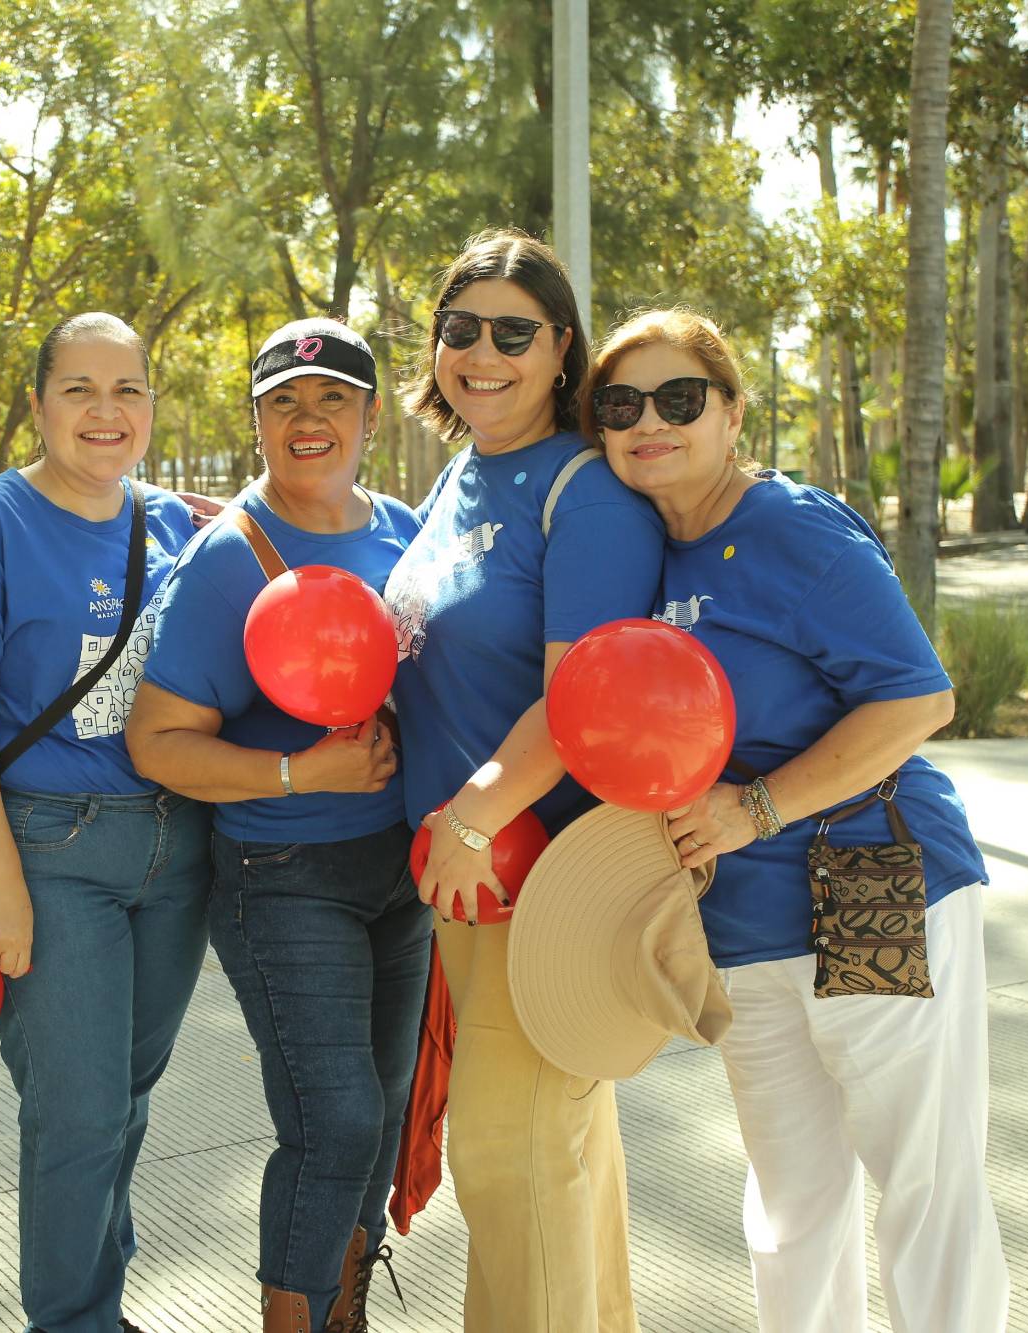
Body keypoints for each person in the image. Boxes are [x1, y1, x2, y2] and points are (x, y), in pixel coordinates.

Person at [585, 307, 1008, 1333]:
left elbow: (915, 701)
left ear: (731, 412)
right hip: (745, 919)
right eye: (620, 403)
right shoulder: (645, 550)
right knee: (790, 1200)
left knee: (921, 1180)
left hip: (870, 880)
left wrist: (755, 805)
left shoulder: (790, 526)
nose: (650, 421)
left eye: (679, 398)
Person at [381, 228, 666, 1333]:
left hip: (542, 872)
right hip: (467, 875)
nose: (481, 353)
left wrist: (472, 815)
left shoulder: (581, 491)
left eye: (513, 331)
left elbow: (584, 697)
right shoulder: (462, 473)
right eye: (460, 330)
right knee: (557, 1150)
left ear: (561, 351)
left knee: (513, 1154)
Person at [126, 318, 425, 1333]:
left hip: (401, 872)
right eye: (283, 402)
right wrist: (301, 767)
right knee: (331, 1121)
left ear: (368, 415)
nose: (308, 419)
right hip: (283, 873)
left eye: (331, 397)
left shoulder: (402, 531)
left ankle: (341, 1315)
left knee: (378, 1120)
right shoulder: (227, 559)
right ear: (255, 418)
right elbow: (157, 740)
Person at [0, 313, 206, 1333]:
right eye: (78, 388)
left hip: (173, 847)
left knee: (126, 1095)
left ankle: (98, 1303)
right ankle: (71, 1320)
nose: (104, 410)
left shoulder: (172, 525)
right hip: (46, 847)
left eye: (126, 389)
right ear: (38, 402)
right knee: (76, 1112)